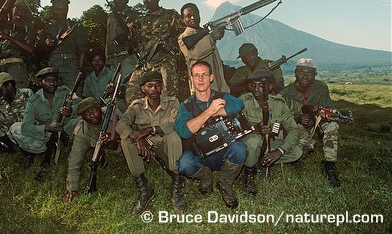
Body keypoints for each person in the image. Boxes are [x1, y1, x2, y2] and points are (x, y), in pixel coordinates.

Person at [175, 61, 247, 208]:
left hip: (222, 150)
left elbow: (238, 105)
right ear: (191, 79)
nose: (200, 79)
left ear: (211, 77)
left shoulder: (221, 96)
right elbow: (183, 130)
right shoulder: (186, 105)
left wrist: (215, 113)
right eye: (196, 75)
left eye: (204, 75)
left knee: (240, 150)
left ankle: (225, 183)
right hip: (199, 155)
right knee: (184, 164)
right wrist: (208, 112)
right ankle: (205, 177)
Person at [116, 70, 186, 214]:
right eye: (149, 85)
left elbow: (175, 123)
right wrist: (137, 137)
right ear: (143, 88)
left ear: (162, 87)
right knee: (126, 140)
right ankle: (144, 188)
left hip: (166, 149)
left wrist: (149, 130)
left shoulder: (172, 102)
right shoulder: (136, 106)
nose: (154, 89)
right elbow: (121, 124)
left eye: (157, 85)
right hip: (146, 149)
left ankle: (176, 185)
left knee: (173, 135)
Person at [238, 69, 302, 195]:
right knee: (254, 141)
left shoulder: (279, 104)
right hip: (250, 144)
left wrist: (279, 151)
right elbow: (237, 128)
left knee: (297, 152)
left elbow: (294, 129)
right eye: (253, 85)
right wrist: (255, 128)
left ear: (270, 86)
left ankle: (260, 163)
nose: (256, 89)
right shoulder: (243, 102)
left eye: (261, 86)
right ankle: (249, 173)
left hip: (269, 145)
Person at [280, 58, 340, 187]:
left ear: (315, 75)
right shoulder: (285, 94)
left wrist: (321, 116)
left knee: (332, 126)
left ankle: (329, 165)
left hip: (316, 125)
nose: (305, 76)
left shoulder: (321, 88)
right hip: (295, 129)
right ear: (295, 72)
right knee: (299, 152)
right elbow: (279, 120)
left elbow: (329, 110)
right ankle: (299, 154)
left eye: (310, 72)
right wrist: (297, 119)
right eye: (302, 72)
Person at [125, 0, 185, 104]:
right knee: (131, 94)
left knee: (169, 95)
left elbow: (184, 34)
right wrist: (131, 31)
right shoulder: (142, 20)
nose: (145, 1)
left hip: (164, 60)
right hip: (145, 62)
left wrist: (171, 43)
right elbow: (136, 45)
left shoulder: (170, 16)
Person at [16, 67, 79, 167]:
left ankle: (76, 146)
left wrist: (72, 110)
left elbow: (81, 105)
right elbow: (26, 127)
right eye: (48, 81)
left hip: (66, 127)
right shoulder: (33, 101)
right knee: (23, 138)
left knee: (81, 121)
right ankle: (45, 150)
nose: (52, 83)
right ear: (40, 82)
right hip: (46, 134)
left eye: (54, 80)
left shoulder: (65, 92)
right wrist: (47, 127)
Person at [62, 97, 110, 203]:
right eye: (87, 114)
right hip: (95, 141)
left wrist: (114, 138)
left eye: (94, 111)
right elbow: (74, 160)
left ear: (100, 109)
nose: (92, 115)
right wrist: (71, 189)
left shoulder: (112, 115)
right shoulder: (82, 131)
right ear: (83, 117)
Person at [178, 3, 230, 94]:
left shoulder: (204, 34)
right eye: (188, 16)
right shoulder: (183, 38)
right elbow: (195, 54)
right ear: (183, 19)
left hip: (219, 88)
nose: (193, 18)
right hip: (202, 92)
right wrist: (212, 37)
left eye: (195, 14)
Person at [41, 0, 87, 88]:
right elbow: (40, 50)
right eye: (57, 9)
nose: (59, 12)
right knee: (53, 94)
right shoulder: (48, 28)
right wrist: (46, 44)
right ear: (53, 10)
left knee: (72, 96)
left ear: (67, 10)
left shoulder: (75, 27)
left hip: (70, 66)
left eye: (62, 9)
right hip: (53, 64)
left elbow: (82, 50)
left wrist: (80, 70)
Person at [0, 0, 36, 88]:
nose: (20, 13)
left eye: (23, 11)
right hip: (1, 68)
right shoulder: (2, 25)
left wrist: (9, 37)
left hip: (16, 67)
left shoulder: (27, 27)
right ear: (12, 8)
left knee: (18, 96)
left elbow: (30, 48)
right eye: (17, 9)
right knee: (2, 99)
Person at [105, 0, 140, 79]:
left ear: (127, 0)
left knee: (125, 87)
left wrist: (125, 37)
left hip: (126, 57)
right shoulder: (110, 16)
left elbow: (139, 35)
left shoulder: (133, 15)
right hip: (111, 59)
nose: (119, 1)